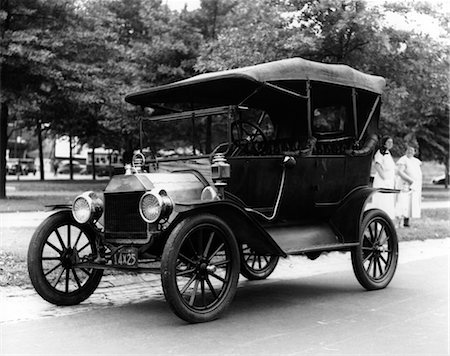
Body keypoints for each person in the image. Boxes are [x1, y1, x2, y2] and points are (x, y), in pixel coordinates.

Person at [395, 146, 422, 227]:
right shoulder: (403, 159)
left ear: (415, 152)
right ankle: (399, 223)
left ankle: (406, 222)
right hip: (405, 184)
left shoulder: (416, 161)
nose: (410, 152)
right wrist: (410, 181)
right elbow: (400, 172)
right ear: (405, 151)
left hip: (414, 186)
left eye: (412, 150)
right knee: (403, 203)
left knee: (410, 204)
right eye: (408, 150)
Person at [372, 136, 396, 219]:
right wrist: (384, 178)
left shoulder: (388, 153)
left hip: (389, 180)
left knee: (387, 201)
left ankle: (387, 219)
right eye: (388, 142)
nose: (390, 144)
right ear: (384, 143)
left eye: (391, 142)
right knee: (381, 200)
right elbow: (377, 166)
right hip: (382, 180)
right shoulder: (380, 152)